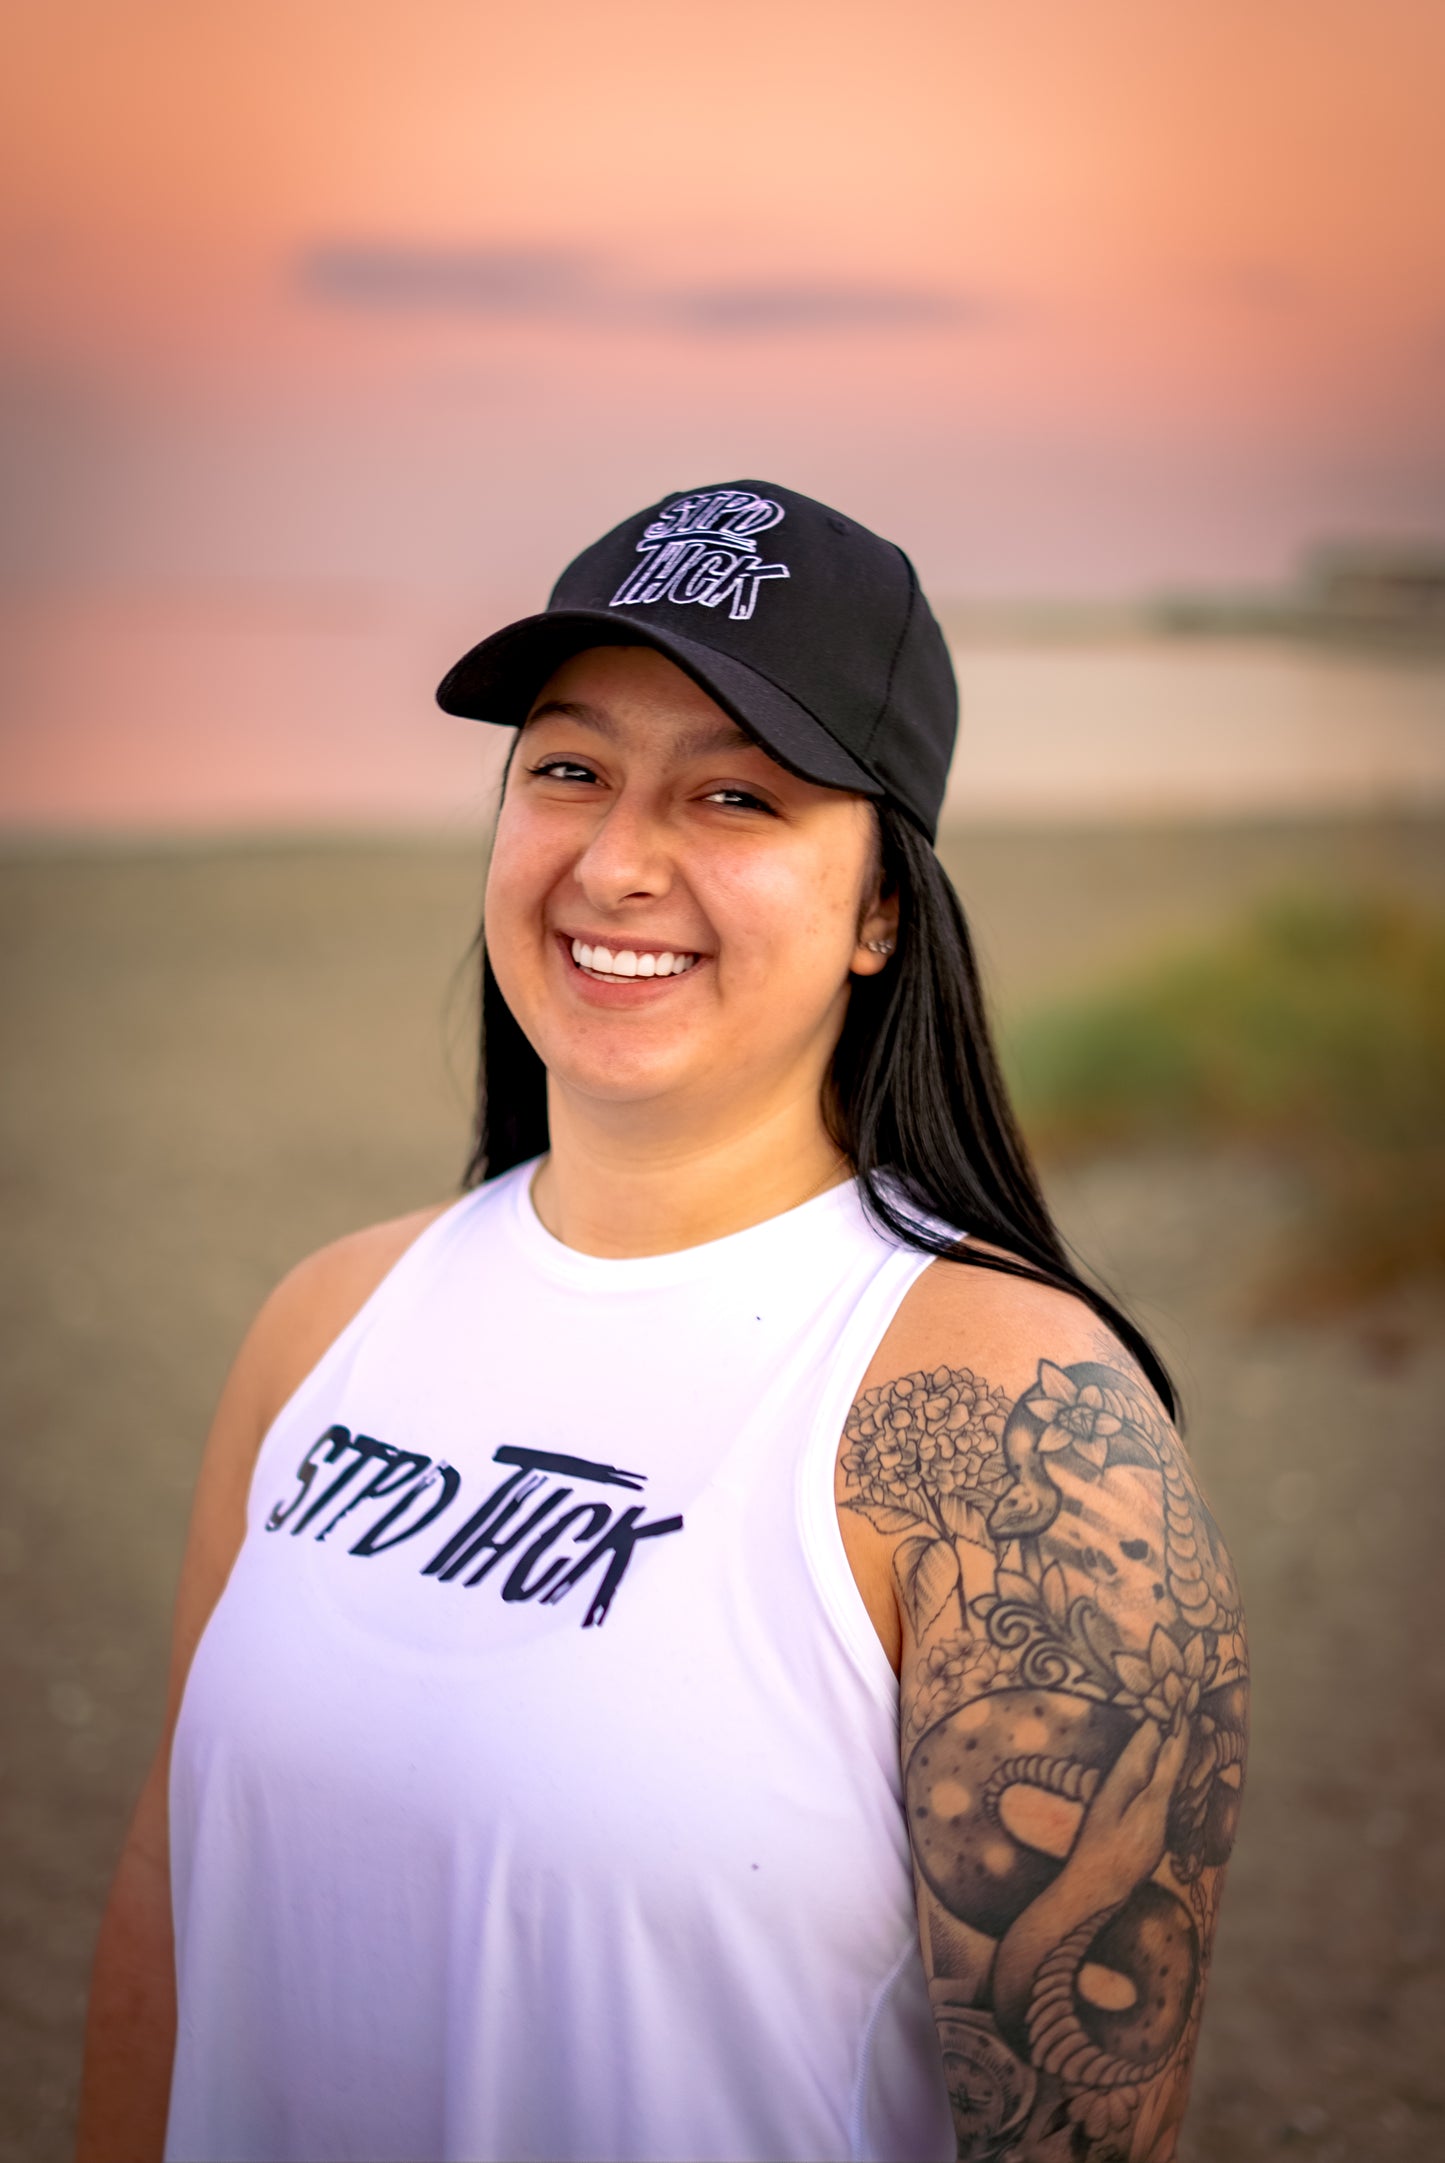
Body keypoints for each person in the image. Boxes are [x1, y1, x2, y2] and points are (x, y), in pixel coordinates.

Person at [76, 481, 1248, 2163]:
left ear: (879, 914)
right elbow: (167, 1886)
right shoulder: (324, 1320)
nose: (616, 862)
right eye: (566, 770)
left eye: (733, 795)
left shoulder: (1010, 1424)